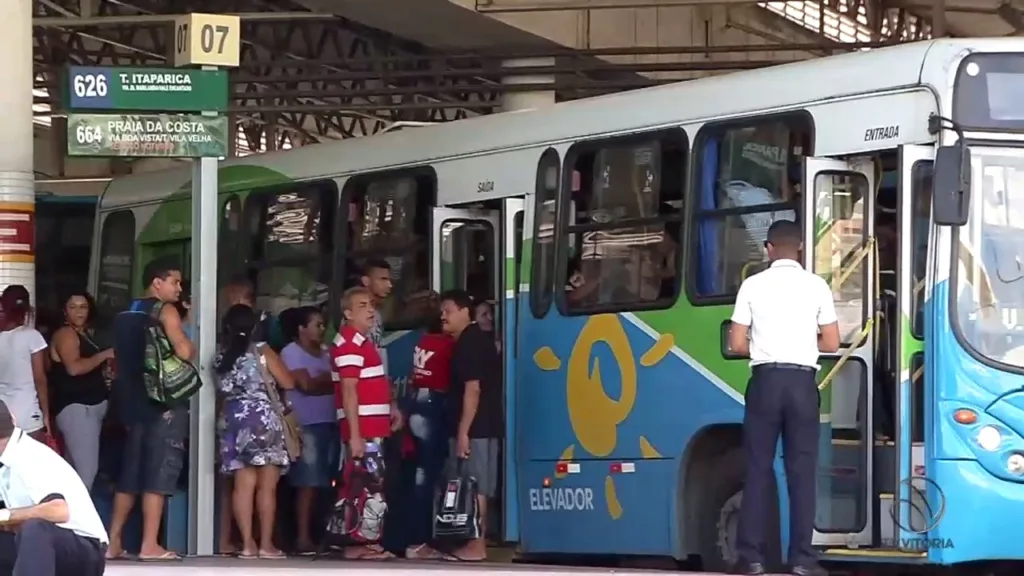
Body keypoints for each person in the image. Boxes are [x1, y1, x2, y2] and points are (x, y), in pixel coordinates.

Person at [727, 220, 839, 576]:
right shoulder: (817, 286)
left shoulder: (752, 285)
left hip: (766, 382)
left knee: (758, 468)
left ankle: (752, 559)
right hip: (803, 384)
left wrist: (763, 345)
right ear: (801, 250)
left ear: (769, 249)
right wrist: (804, 345)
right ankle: (803, 559)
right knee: (802, 473)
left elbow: (737, 343)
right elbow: (833, 343)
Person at [106, 257, 193, 562]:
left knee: (130, 475)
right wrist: (187, 327)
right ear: (157, 282)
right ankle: (149, 544)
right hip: (162, 403)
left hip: (130, 403)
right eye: (175, 281)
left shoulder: (124, 313)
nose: (180, 288)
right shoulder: (164, 311)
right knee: (160, 472)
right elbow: (184, 350)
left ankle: (113, 541)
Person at [215, 304, 294, 560]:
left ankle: (247, 544)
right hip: (264, 420)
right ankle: (266, 544)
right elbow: (288, 382)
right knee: (267, 489)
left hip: (235, 421)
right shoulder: (262, 351)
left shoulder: (220, 355)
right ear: (254, 327)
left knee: (243, 486)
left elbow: (222, 390)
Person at [330, 286, 402, 560]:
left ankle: (364, 542)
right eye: (362, 305)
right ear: (347, 313)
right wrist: (356, 436)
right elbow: (349, 390)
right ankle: (359, 545)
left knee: (368, 486)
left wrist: (390, 407)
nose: (371, 310)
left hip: (372, 428)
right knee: (367, 489)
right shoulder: (349, 344)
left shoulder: (360, 342)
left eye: (371, 304)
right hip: (364, 431)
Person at [0, 401, 108, 576]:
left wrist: (6, 515)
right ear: (13, 418)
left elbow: (59, 511)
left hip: (84, 551)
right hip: (45, 550)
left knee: (35, 528)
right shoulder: (7, 459)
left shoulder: (29, 455)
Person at [440, 289, 503, 562]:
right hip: (489, 425)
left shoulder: (468, 343)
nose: (443, 316)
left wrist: (463, 431)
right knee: (482, 487)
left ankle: (475, 544)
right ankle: (479, 540)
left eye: (448, 311)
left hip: (475, 428)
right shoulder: (482, 339)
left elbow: (472, 389)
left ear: (465, 311)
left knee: (473, 485)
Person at [279, 306, 338, 555]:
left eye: (323, 324)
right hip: (306, 425)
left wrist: (326, 380)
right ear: (301, 329)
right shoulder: (290, 352)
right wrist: (332, 380)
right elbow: (306, 385)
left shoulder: (327, 353)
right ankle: (302, 537)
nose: (322, 329)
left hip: (331, 423)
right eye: (317, 324)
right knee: (307, 483)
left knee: (328, 484)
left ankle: (323, 535)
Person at [405, 296, 454, 560]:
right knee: (427, 477)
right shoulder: (448, 344)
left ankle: (418, 538)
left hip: (417, 402)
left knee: (420, 475)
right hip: (435, 404)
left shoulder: (424, 341)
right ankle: (420, 540)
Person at [49, 291, 113, 491]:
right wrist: (105, 355)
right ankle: (75, 519)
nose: (79, 312)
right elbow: (74, 368)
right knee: (87, 472)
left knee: (75, 469)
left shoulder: (83, 333)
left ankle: (65, 517)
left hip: (90, 406)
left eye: (83, 307)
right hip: (77, 407)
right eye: (73, 307)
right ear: (64, 311)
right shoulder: (66, 334)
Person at [0, 285, 51, 442]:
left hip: (3, 416)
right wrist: (47, 416)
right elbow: (40, 379)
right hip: (28, 416)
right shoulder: (32, 336)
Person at [360, 259, 393, 349]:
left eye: (389, 280)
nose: (390, 285)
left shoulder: (377, 314)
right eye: (383, 279)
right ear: (366, 281)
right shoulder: (356, 315)